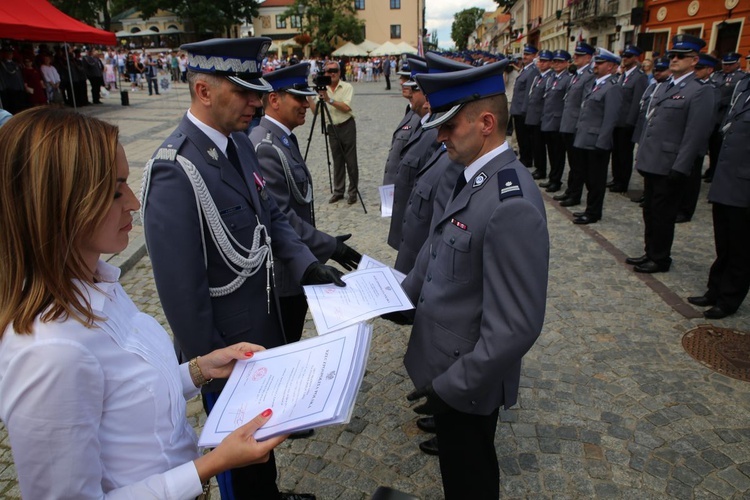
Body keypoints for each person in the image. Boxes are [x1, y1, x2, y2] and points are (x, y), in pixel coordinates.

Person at [0, 106, 288, 499]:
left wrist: (199, 370)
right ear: (62, 202)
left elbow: (126, 400)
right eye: (116, 189)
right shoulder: (51, 352)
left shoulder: (95, 284)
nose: (134, 202)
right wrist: (212, 464)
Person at [142, 38, 343, 500]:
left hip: (261, 334)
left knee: (262, 448)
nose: (257, 100)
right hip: (224, 355)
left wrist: (308, 268)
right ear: (203, 91)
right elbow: (181, 297)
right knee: (237, 457)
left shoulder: (239, 144)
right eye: (243, 90)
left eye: (257, 89)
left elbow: (271, 215)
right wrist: (214, 370)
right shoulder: (175, 170)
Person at [392, 60, 549, 499]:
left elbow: (517, 326)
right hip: (447, 366)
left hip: (467, 381)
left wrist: (450, 389)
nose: (440, 136)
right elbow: (437, 250)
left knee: (470, 478)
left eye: (450, 126)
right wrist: (394, 299)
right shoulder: (472, 177)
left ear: (486, 123)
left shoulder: (510, 201)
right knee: (457, 473)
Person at [249, 62, 361, 343]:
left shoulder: (282, 139)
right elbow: (283, 216)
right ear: (274, 99)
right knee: (283, 345)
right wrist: (329, 246)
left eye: (306, 96)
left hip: (296, 266)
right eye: (299, 97)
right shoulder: (265, 147)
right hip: (285, 275)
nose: (306, 103)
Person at [626, 35, 713, 274]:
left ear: (694, 60)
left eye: (680, 56)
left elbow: (695, 134)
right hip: (653, 160)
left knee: (664, 214)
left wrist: (681, 166)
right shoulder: (665, 86)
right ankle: (650, 251)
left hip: (670, 164)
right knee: (651, 211)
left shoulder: (699, 91)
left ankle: (660, 257)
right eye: (672, 55)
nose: (673, 59)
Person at [688, 72, 750, 319]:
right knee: (724, 242)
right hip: (727, 180)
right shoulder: (744, 88)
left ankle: (729, 299)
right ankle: (715, 289)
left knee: (742, 248)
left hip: (745, 186)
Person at [387, 56, 440, 251]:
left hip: (418, 241)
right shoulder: (421, 122)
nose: (409, 93)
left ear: (427, 97)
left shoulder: (435, 133)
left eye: (415, 89)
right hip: (407, 232)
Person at [570, 48, 623, 225]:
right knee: (587, 177)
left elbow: (610, 118)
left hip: (596, 141)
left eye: (600, 63)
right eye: (596, 62)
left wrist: (603, 141)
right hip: (585, 138)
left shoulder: (612, 87)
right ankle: (589, 209)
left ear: (611, 67)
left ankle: (593, 212)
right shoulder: (596, 83)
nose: (596, 66)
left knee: (596, 180)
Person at [554, 42, 596, 208]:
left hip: (576, 126)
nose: (575, 58)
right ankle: (571, 191)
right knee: (573, 162)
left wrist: (579, 125)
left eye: (579, 56)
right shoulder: (577, 75)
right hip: (568, 123)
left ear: (588, 57)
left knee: (578, 164)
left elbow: (585, 103)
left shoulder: (589, 76)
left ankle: (575, 193)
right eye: (575, 55)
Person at [315, 60, 359, 204]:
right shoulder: (323, 88)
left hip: (346, 125)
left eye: (334, 71)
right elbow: (316, 110)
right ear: (325, 73)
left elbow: (346, 107)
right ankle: (338, 191)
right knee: (337, 161)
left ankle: (353, 192)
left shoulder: (347, 87)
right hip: (332, 128)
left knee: (351, 160)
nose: (332, 74)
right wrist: (309, 96)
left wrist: (329, 100)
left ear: (339, 73)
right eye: (329, 71)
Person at [609, 45, 648, 193]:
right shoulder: (623, 76)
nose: (625, 58)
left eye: (629, 56)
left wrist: (630, 123)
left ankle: (622, 182)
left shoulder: (640, 77)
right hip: (617, 121)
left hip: (626, 122)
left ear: (636, 58)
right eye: (624, 56)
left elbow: (637, 101)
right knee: (616, 152)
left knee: (624, 154)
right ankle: (616, 178)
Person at [706, 52, 746, 182]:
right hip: (713, 114)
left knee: (719, 146)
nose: (727, 67)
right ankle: (711, 169)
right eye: (725, 64)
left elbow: (735, 98)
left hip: (725, 116)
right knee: (711, 145)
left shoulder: (741, 77)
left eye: (730, 64)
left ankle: (716, 171)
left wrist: (720, 100)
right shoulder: (716, 75)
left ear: (737, 64)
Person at [538, 49, 572, 193]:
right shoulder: (552, 78)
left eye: (561, 62)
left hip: (558, 122)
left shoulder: (568, 78)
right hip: (548, 120)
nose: (557, 64)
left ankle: (556, 180)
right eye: (555, 62)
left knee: (558, 154)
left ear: (567, 63)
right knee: (551, 152)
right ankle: (552, 177)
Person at [524, 49, 554, 180]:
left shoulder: (549, 78)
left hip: (540, 117)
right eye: (540, 61)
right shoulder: (539, 77)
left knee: (540, 146)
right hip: (533, 116)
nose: (541, 63)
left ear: (550, 63)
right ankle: (538, 167)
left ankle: (541, 169)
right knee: (535, 144)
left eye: (544, 61)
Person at [510, 45, 540, 169]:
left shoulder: (532, 71)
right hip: (517, 108)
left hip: (523, 110)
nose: (525, 57)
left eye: (528, 55)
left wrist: (524, 109)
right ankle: (524, 157)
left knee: (525, 137)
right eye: (524, 54)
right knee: (521, 136)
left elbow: (529, 92)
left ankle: (526, 159)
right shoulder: (525, 69)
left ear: (534, 56)